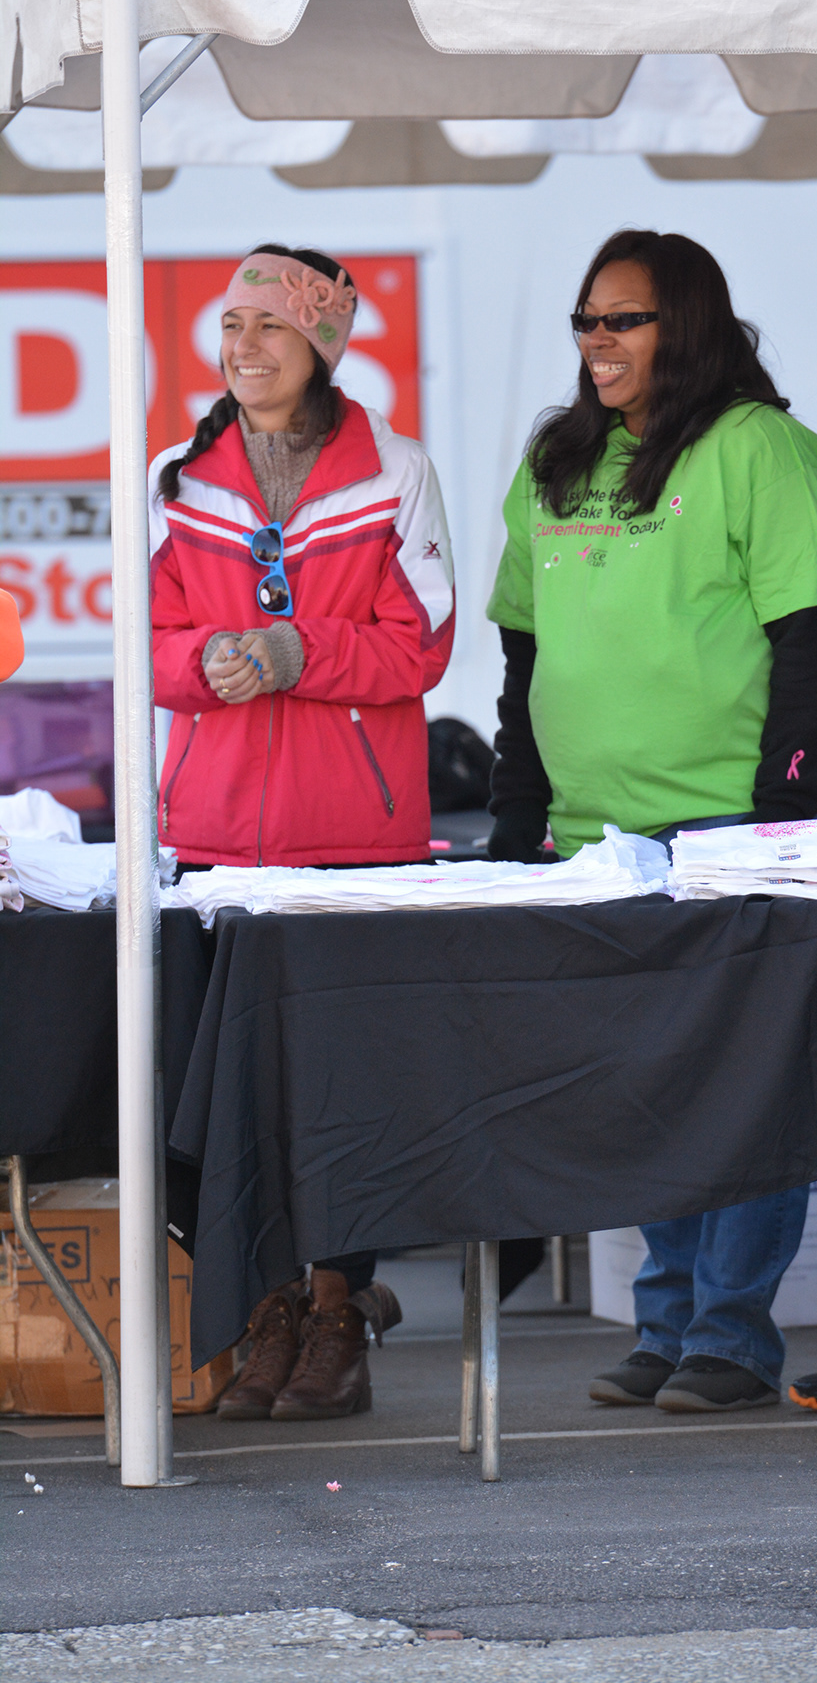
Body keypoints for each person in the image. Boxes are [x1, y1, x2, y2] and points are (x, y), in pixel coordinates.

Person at [486, 229, 817, 1411]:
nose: (598, 341)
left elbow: (810, 636)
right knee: (649, 1089)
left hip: (728, 821)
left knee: (742, 1088)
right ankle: (666, 1320)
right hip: (597, 835)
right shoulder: (557, 458)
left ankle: (733, 1336)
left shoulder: (762, 448)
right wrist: (517, 813)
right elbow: (522, 656)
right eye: (587, 321)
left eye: (624, 319)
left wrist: (783, 812)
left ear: (683, 324)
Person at [150, 244, 455, 1418]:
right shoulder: (180, 474)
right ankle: (269, 1306)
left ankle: (341, 1310)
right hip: (219, 829)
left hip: (356, 838)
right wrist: (205, 662)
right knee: (233, 1094)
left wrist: (297, 651)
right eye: (230, 325)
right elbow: (156, 642)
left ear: (321, 344)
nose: (242, 347)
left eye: (269, 326)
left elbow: (420, 643)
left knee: (347, 1096)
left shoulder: (396, 468)